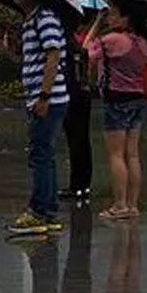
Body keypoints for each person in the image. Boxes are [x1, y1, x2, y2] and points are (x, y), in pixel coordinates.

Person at [9, 0, 68, 236]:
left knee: (40, 154)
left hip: (49, 99)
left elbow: (53, 55)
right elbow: (31, 61)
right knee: (44, 154)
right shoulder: (31, 20)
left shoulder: (44, 18)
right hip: (39, 97)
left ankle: (39, 211)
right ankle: (48, 208)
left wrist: (43, 96)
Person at [88, 3, 147, 221]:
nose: (109, 18)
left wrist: (96, 24)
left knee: (115, 154)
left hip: (115, 99)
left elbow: (87, 49)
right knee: (132, 154)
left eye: (114, 14)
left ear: (126, 19)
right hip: (137, 99)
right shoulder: (142, 42)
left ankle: (119, 204)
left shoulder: (111, 40)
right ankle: (132, 204)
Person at [59, 12, 96, 202]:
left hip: (72, 94)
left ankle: (77, 183)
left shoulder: (66, 42)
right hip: (82, 94)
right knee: (81, 140)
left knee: (75, 140)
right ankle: (83, 182)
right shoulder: (76, 45)